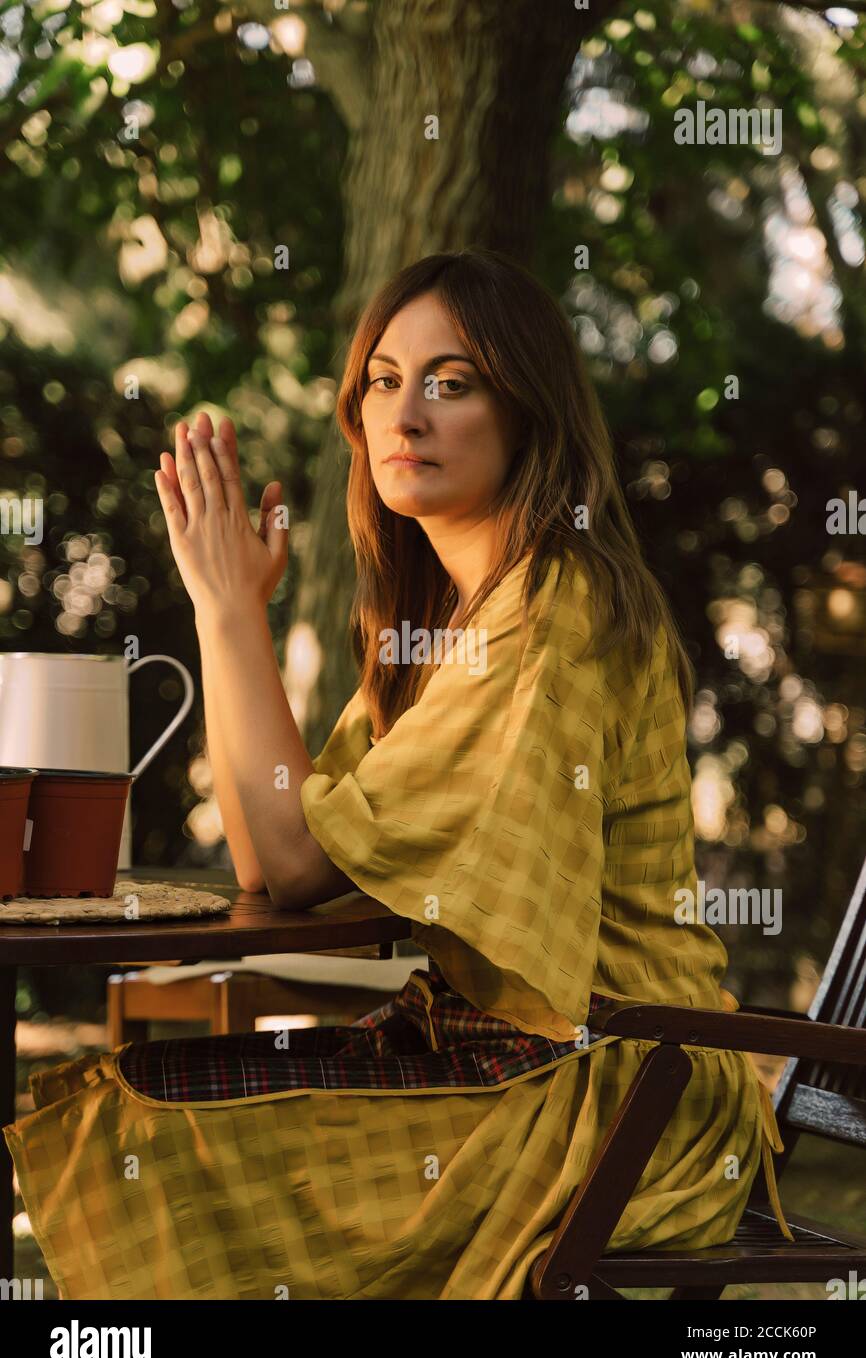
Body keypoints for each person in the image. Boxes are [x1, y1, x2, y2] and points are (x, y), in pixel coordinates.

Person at [3, 248, 793, 1301]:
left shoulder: (544, 620)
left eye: (450, 383)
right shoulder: (457, 623)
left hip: (616, 1094)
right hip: (517, 1065)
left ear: (526, 414)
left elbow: (288, 864)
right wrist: (219, 611)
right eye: (382, 379)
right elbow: (275, 851)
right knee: (127, 1105)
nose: (404, 413)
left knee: (151, 1135)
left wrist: (231, 612)